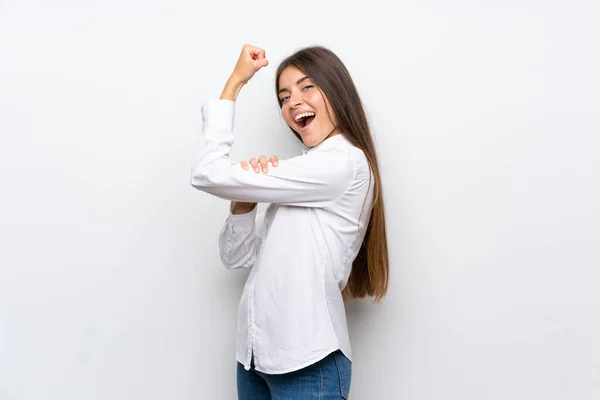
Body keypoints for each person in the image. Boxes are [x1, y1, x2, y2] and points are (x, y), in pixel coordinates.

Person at [191, 44, 389, 399]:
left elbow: (207, 173)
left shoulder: (342, 163)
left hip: (308, 365)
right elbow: (235, 258)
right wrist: (244, 200)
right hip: (254, 358)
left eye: (306, 86)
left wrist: (236, 81)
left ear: (336, 91)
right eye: (284, 96)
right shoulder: (305, 173)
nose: (293, 102)